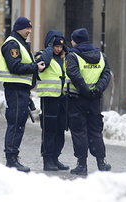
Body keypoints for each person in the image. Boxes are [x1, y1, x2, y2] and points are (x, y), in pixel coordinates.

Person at [0, 16, 45, 172]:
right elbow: (15, 66)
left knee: (18, 124)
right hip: (14, 90)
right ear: (18, 28)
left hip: (21, 90)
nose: (29, 31)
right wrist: (35, 67)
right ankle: (11, 160)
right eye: (26, 28)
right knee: (15, 124)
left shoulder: (20, 43)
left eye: (30, 28)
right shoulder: (12, 44)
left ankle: (13, 157)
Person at [65, 28, 112, 176]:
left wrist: (85, 90)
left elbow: (74, 74)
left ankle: (82, 165)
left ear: (75, 41)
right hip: (94, 100)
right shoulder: (101, 55)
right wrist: (97, 90)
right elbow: (106, 75)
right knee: (95, 131)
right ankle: (101, 162)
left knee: (79, 131)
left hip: (77, 98)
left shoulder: (72, 56)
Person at [35, 30, 70, 171]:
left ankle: (55, 157)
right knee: (49, 130)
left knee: (60, 129)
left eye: (61, 46)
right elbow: (43, 63)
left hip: (63, 98)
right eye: (55, 46)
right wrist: (49, 49)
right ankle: (47, 159)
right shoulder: (41, 55)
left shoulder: (65, 57)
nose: (58, 49)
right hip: (49, 98)